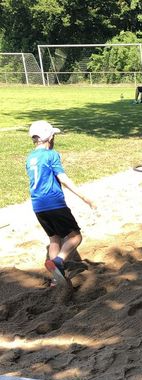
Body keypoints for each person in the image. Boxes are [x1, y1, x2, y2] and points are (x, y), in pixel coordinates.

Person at [26, 120, 96, 287]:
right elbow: (63, 178)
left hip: (38, 205)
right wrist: (84, 197)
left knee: (54, 239)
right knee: (75, 236)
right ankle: (58, 261)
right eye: (53, 136)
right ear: (50, 138)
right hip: (54, 203)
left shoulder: (30, 158)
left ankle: (56, 279)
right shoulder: (51, 155)